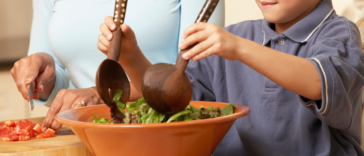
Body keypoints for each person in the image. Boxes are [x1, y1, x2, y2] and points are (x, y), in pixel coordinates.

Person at [98, 0, 364, 155]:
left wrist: (239, 48)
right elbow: (169, 93)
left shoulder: (339, 33)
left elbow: (319, 82)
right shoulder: (236, 35)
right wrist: (131, 58)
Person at [10, 0, 225, 132]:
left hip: (164, 135)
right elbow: (62, 82)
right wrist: (44, 78)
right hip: (84, 135)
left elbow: (194, 82)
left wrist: (98, 95)